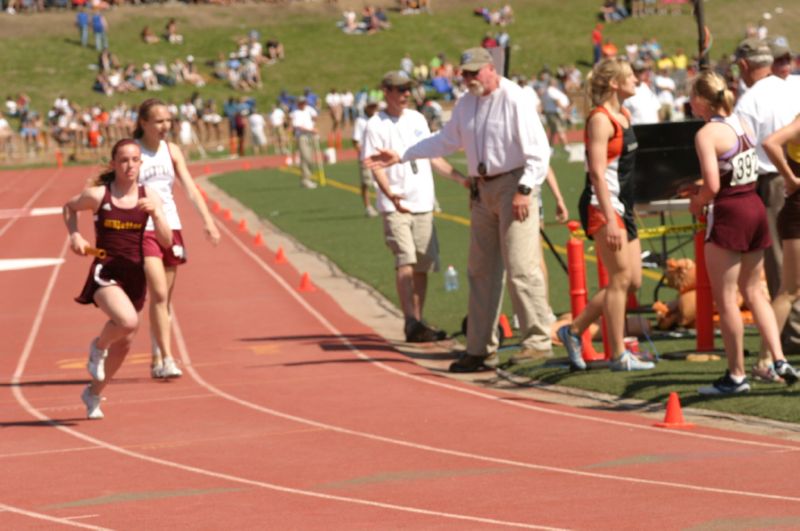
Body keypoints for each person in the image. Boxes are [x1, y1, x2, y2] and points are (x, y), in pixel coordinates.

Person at [366, 48, 553, 372]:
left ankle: (536, 341)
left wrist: (524, 190)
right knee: (480, 271)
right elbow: (445, 141)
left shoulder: (514, 97)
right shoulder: (467, 103)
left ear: (491, 69)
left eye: (473, 73)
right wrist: (403, 155)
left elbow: (538, 150)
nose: (467, 80)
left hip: (512, 184)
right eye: (465, 74)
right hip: (482, 188)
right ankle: (479, 349)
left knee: (521, 266)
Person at [686, 70, 795, 395]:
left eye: (693, 95)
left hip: (730, 212)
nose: (690, 101)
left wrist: (697, 200)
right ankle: (778, 358)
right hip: (753, 205)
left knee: (728, 298)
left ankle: (736, 375)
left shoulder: (707, 134)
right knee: (756, 291)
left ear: (703, 100)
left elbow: (714, 184)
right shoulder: (742, 124)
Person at [557, 57, 654, 372]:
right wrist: (611, 219)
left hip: (623, 206)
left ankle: (572, 330)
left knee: (632, 281)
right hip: (603, 205)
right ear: (614, 83)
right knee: (620, 279)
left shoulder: (623, 114)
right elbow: (598, 174)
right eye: (630, 76)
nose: (636, 80)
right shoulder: (600, 120)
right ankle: (618, 355)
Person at [64, 139, 172, 419]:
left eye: (135, 159)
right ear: (113, 164)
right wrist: (74, 234)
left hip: (135, 274)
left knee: (124, 342)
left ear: (141, 163)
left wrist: (157, 214)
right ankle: (97, 347)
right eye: (123, 160)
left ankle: (94, 393)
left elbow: (166, 241)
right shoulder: (99, 195)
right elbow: (69, 207)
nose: (130, 165)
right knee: (127, 321)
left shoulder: (150, 196)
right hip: (106, 271)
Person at [363, 71, 468, 343]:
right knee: (405, 259)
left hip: (423, 202)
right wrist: (391, 194)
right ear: (386, 92)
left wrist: (459, 178)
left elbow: (432, 155)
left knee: (423, 264)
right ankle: (410, 320)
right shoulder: (375, 124)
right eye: (399, 90)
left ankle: (418, 322)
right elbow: (375, 167)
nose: (405, 94)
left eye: (407, 89)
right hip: (396, 204)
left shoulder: (418, 118)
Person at [134, 99, 221, 379]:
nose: (165, 126)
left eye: (168, 120)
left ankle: (156, 355)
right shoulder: (133, 152)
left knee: (164, 300)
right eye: (158, 121)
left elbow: (191, 188)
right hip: (143, 228)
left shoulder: (172, 151)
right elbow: (113, 187)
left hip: (171, 227)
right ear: (144, 123)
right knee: (158, 294)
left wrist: (208, 222)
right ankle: (168, 358)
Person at [757, 116, 800, 385]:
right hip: (797, 211)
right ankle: (764, 360)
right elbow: (770, 143)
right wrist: (791, 178)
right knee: (790, 290)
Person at [352, 100, 379, 217]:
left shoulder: (379, 119)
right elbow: (355, 140)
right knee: (366, 182)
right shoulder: (360, 121)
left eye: (375, 107)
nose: (373, 109)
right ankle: (368, 207)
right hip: (367, 156)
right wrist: (361, 155)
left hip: (379, 155)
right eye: (371, 107)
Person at [289, 96, 319, 189]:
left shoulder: (309, 110)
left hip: (311, 136)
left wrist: (314, 126)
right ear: (298, 104)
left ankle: (307, 179)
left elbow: (315, 117)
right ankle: (306, 180)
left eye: (304, 103)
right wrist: (310, 130)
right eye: (301, 103)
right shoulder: (295, 113)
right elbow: (297, 126)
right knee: (306, 158)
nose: (303, 104)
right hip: (302, 136)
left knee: (310, 158)